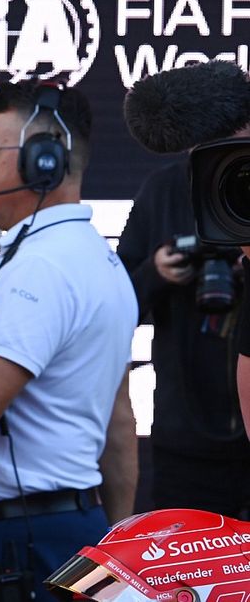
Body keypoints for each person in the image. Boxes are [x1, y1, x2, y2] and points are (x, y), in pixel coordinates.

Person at [0, 80, 138, 601]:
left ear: (43, 162)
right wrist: (113, 552)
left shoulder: (42, 267)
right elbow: (119, 427)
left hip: (13, 545)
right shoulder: (101, 262)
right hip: (69, 533)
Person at [117, 157, 250, 518]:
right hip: (184, 445)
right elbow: (115, 306)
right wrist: (155, 272)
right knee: (184, 552)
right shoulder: (164, 189)